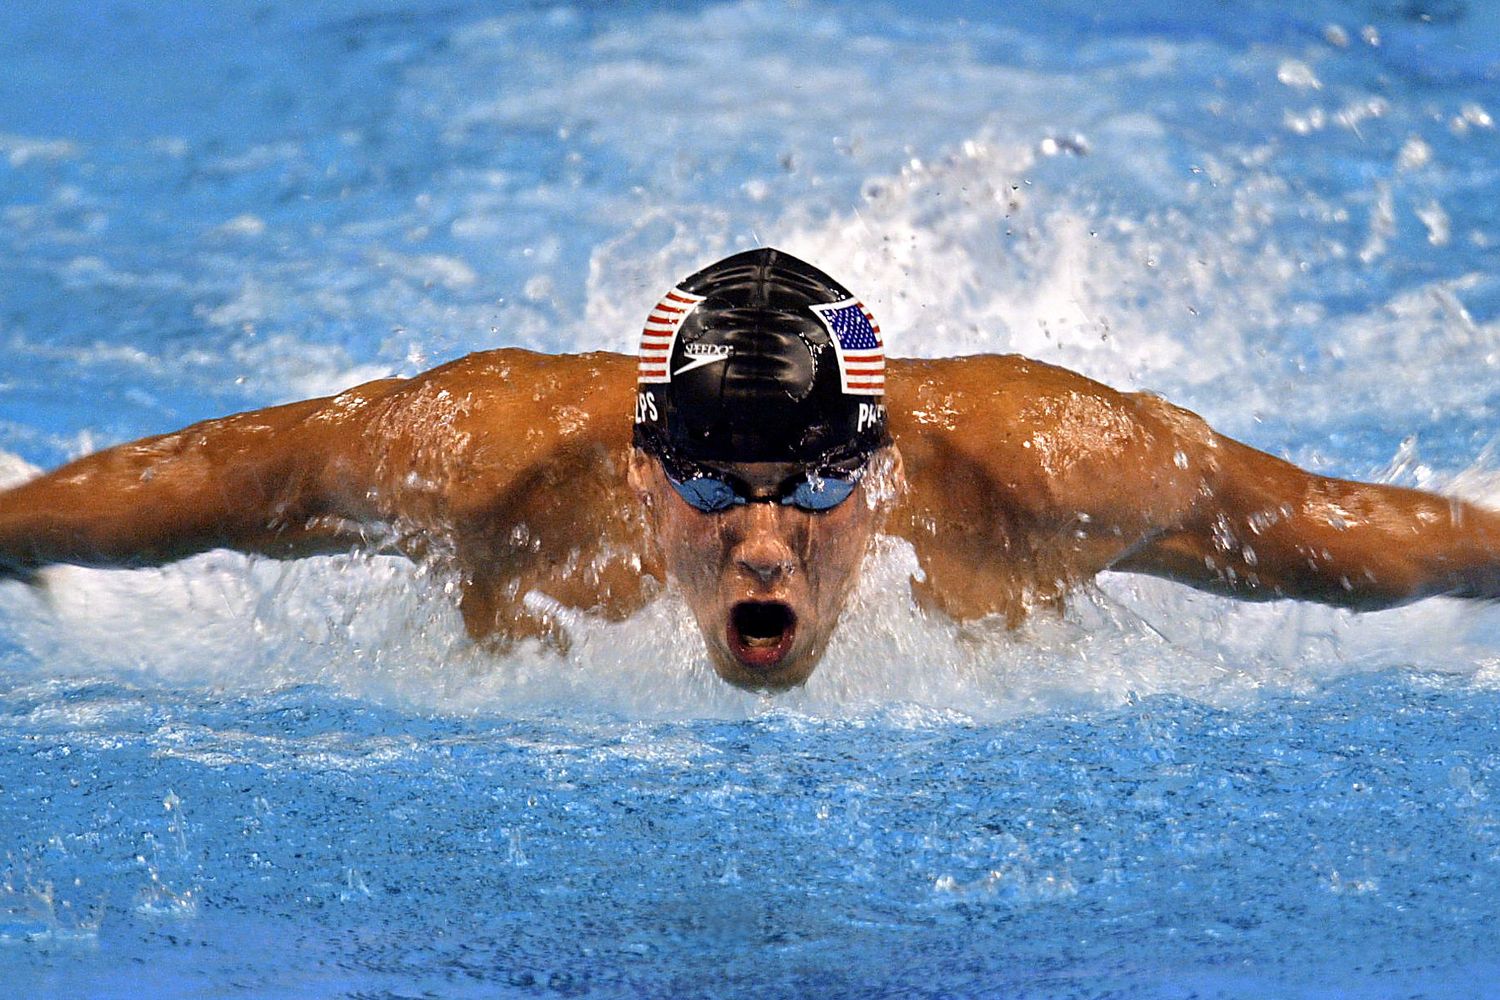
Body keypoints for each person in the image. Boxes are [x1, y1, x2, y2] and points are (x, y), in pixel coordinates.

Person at [1, 249, 1497, 690]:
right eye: (717, 492)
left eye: (817, 490)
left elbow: (1336, 529)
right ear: (646, 475)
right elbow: (216, 479)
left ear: (886, 468)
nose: (767, 543)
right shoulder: (485, 461)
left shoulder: (1052, 473)